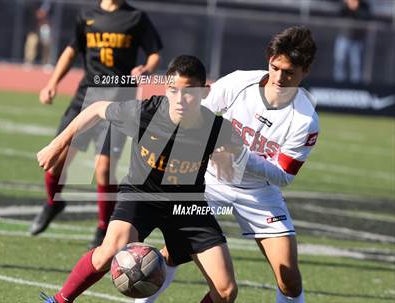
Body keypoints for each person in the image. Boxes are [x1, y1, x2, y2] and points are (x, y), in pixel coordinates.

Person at [37, 55, 243, 303]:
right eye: (173, 90)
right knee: (108, 252)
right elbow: (94, 109)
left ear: (204, 92)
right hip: (141, 195)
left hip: (187, 205)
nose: (180, 99)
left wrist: (225, 156)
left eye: (189, 92)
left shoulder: (217, 128)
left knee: (226, 291)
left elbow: (236, 147)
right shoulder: (145, 112)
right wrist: (57, 145)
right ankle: (59, 301)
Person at [137, 26, 319, 303]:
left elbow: (283, 176)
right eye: (274, 67)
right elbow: (196, 108)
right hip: (211, 182)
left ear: (305, 71)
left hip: (258, 193)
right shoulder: (239, 83)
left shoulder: (306, 120)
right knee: (174, 251)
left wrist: (239, 155)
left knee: (289, 279)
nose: (279, 77)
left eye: (289, 72)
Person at [30, 0, 163, 248]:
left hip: (119, 99)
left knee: (103, 167)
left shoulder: (135, 17)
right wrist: (52, 83)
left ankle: (104, 228)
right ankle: (53, 203)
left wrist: (146, 68)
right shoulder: (87, 15)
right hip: (85, 96)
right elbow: (72, 50)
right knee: (56, 161)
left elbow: (155, 52)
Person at [333, 0, 371, 83]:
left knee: (356, 65)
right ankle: (338, 84)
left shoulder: (364, 6)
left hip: (356, 40)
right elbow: (338, 15)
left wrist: (355, 8)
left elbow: (366, 17)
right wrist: (348, 6)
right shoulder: (343, 5)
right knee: (339, 62)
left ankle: (356, 86)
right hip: (343, 38)